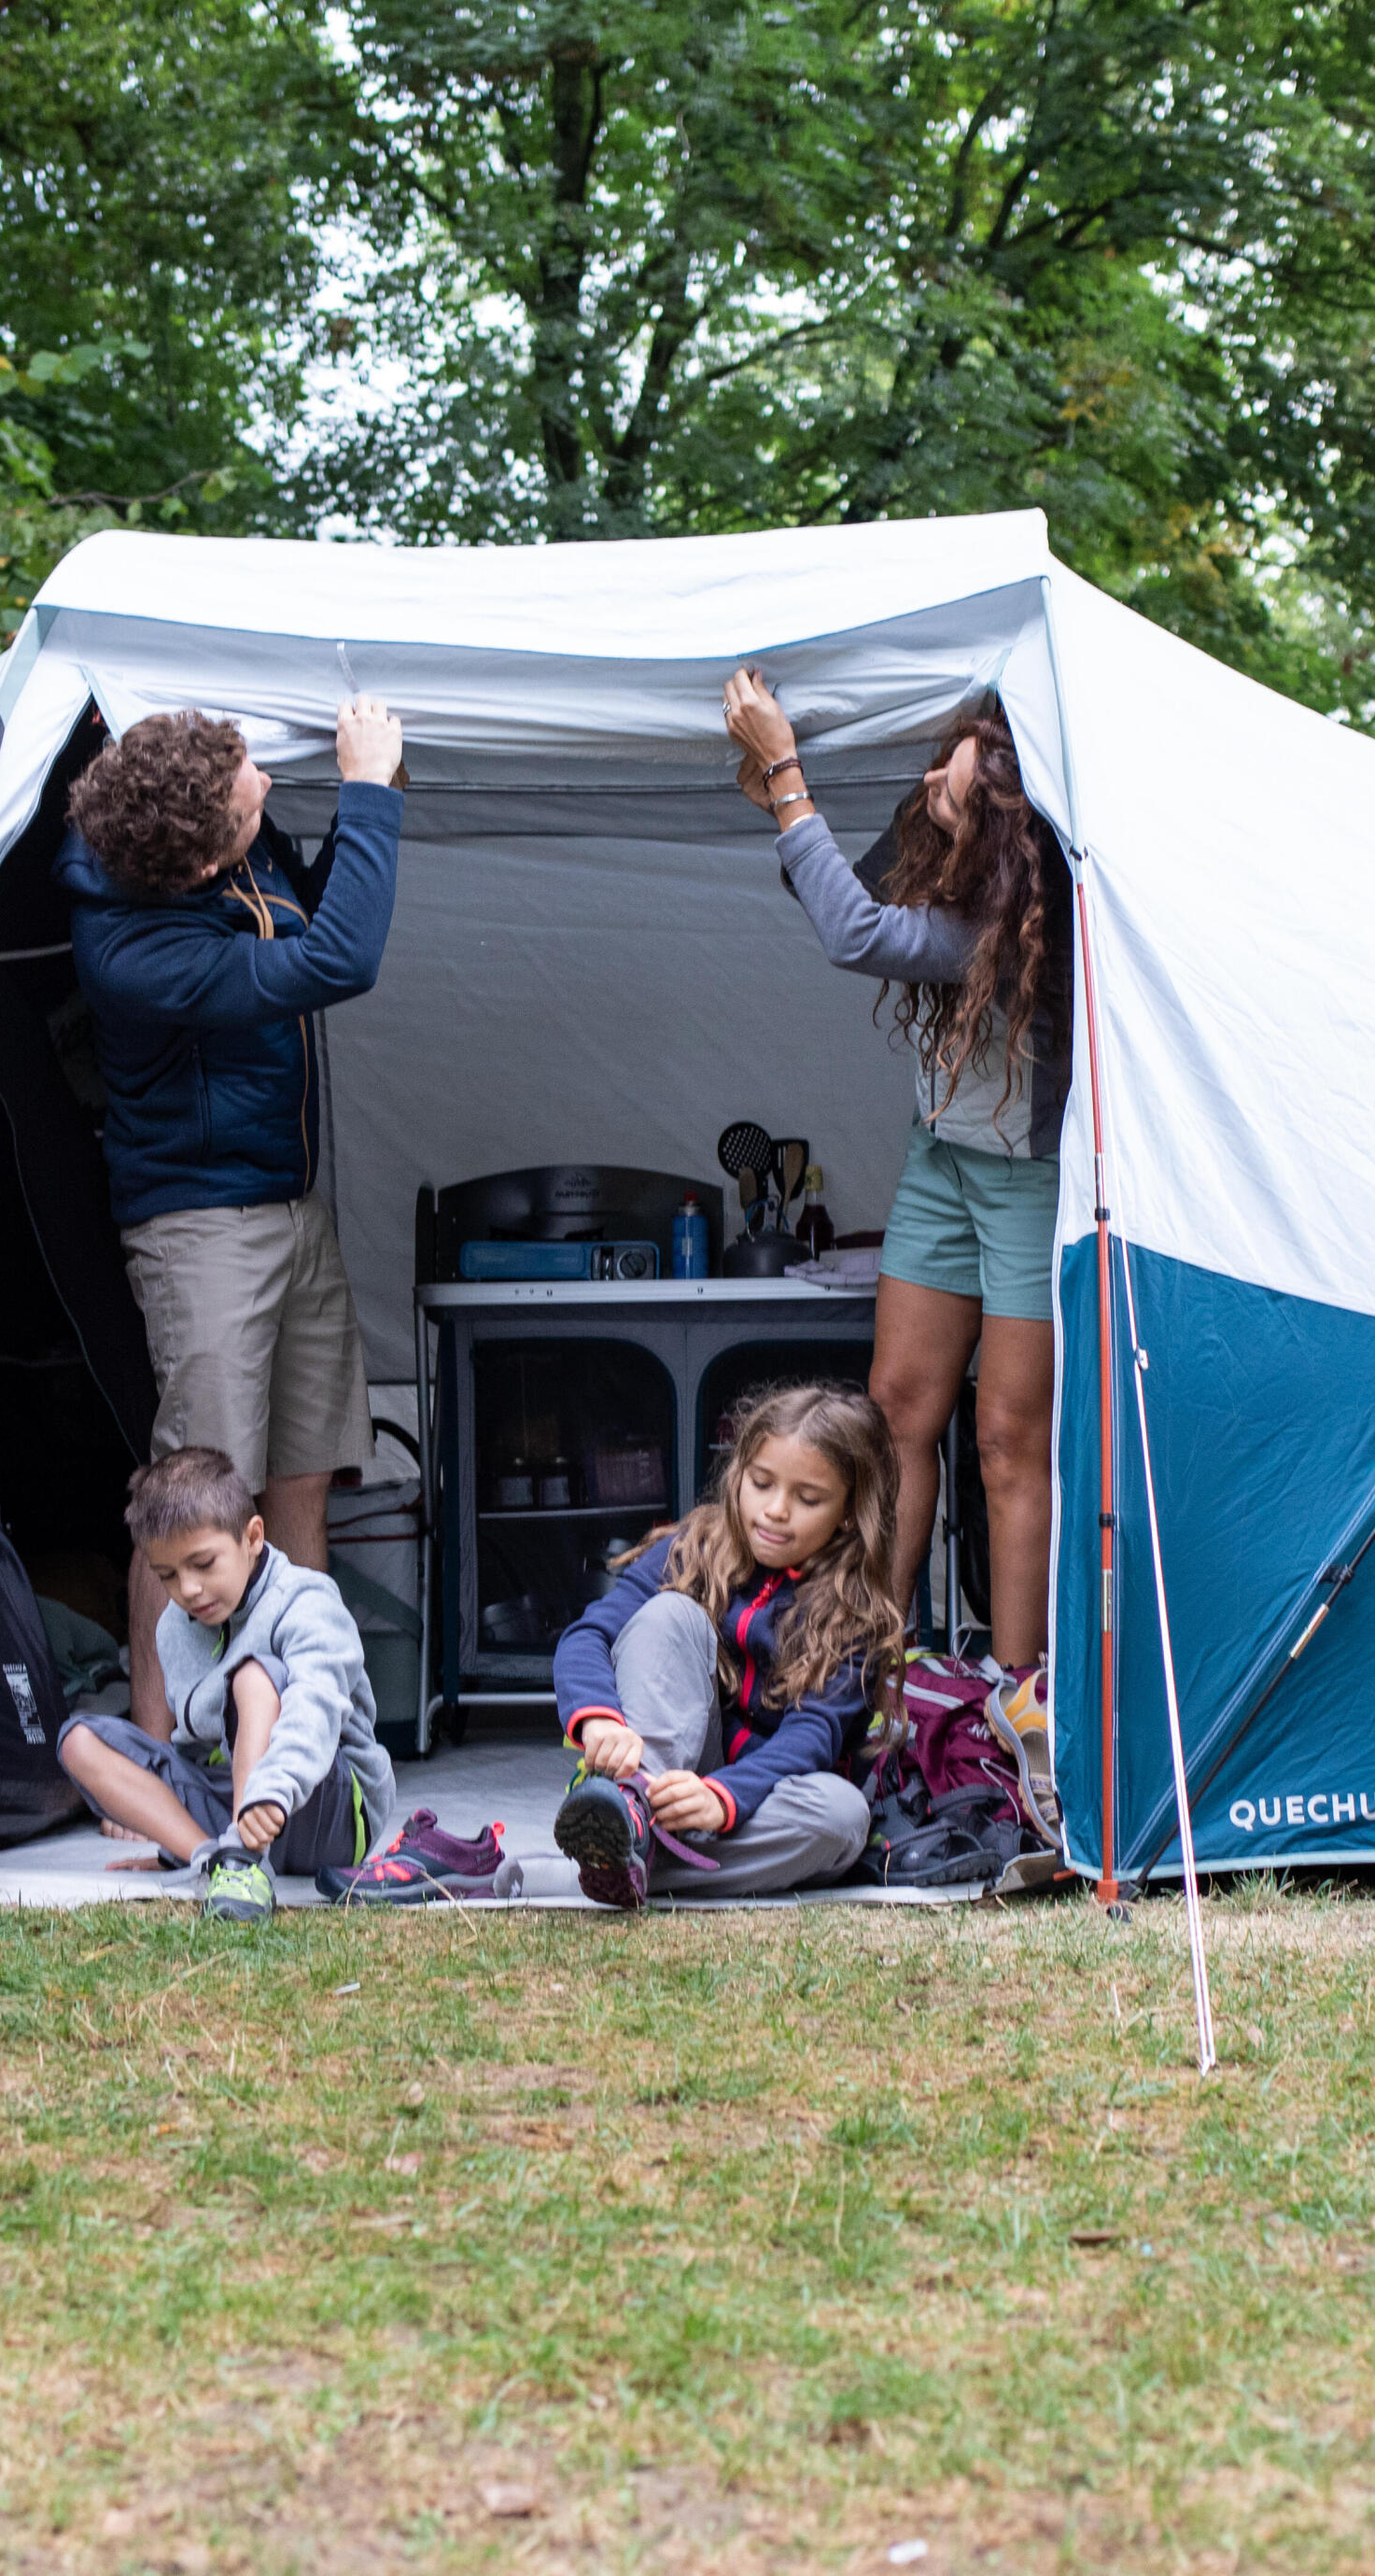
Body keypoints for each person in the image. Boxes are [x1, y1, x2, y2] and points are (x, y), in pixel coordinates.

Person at [56, 694, 404, 1737]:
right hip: (201, 1231)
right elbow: (338, 961)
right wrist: (368, 791)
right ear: (207, 863)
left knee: (296, 1483)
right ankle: (159, 1753)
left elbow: (326, 906)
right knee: (191, 1504)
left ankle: (302, 1737)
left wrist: (367, 799)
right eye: (245, 784)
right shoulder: (131, 946)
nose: (259, 775)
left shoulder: (212, 840)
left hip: (293, 1208)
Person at [721, 673, 1072, 1668]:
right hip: (943, 1160)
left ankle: (1014, 1700)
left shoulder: (1011, 922)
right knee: (895, 1408)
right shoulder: (949, 863)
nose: (928, 788)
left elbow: (859, 934)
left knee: (1005, 1439)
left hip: (1026, 1181)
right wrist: (788, 813)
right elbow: (841, 886)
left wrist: (790, 773)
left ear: (1002, 835)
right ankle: (872, 1668)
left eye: (949, 788)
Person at [549, 1384, 903, 1907]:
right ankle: (632, 1809)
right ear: (738, 1476)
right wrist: (599, 1720)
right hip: (664, 1777)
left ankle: (629, 1855)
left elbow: (812, 1736)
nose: (776, 1510)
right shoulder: (692, 1549)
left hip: (764, 1795)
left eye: (808, 1499)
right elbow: (588, 1636)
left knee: (842, 1818)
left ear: (850, 1513)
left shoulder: (856, 1611)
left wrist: (724, 1798)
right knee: (671, 1612)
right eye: (761, 1484)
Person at [58, 1447, 396, 1923]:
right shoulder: (175, 1625)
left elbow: (316, 1710)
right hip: (236, 1810)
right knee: (79, 1740)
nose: (188, 1589)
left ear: (252, 1537)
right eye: (168, 1575)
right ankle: (214, 1860)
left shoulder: (307, 1599)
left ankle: (243, 1857)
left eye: (203, 1564)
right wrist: (180, 1828)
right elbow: (193, 1746)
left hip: (322, 1808)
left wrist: (270, 1793)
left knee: (255, 1674)